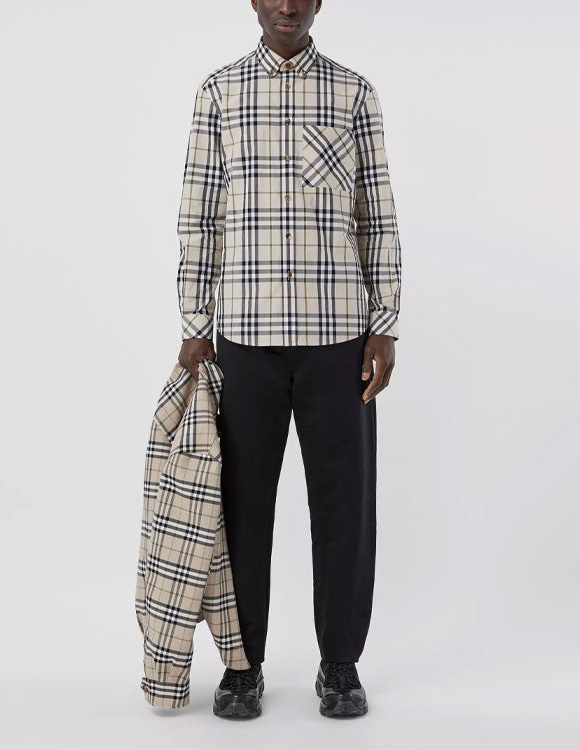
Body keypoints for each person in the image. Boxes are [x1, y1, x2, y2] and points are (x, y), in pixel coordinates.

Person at [175, 0, 401, 719]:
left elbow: (377, 213)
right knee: (243, 508)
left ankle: (341, 666)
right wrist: (195, 322)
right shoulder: (219, 92)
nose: (286, 4)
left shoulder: (353, 92)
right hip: (245, 338)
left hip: (338, 337)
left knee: (345, 509)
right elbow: (199, 214)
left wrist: (385, 323)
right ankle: (242, 667)